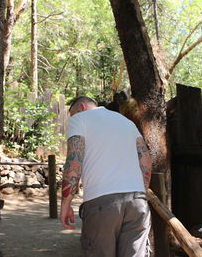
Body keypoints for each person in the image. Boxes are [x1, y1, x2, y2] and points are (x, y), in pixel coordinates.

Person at [60, 96, 153, 257]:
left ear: (81, 107)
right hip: (137, 203)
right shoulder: (126, 122)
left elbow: (74, 163)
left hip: (101, 201)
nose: (73, 117)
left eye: (73, 113)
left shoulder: (79, 119)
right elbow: (146, 160)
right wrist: (141, 193)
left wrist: (66, 204)